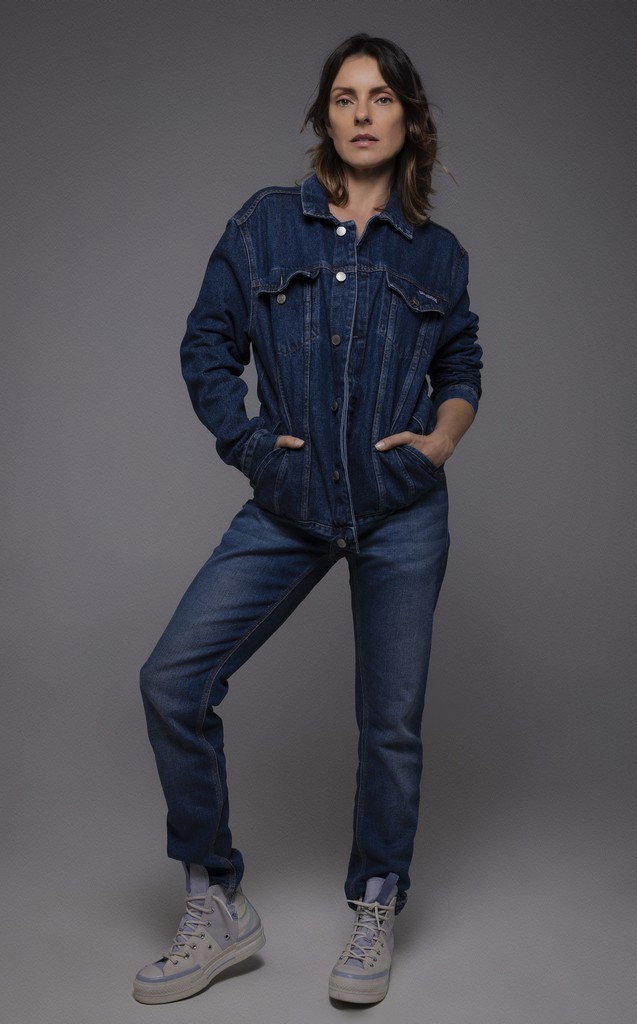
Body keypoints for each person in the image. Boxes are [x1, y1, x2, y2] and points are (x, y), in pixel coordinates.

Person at [134, 33, 481, 1006]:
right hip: (290, 502)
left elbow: (461, 365)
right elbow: (206, 344)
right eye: (345, 97)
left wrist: (441, 440)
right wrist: (251, 447)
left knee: (390, 724)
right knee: (173, 680)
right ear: (324, 116)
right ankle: (216, 899)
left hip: (401, 508)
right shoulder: (264, 226)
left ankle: (376, 901)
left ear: (409, 118)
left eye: (381, 97)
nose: (363, 113)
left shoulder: (439, 253)